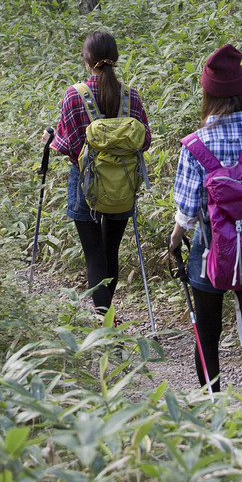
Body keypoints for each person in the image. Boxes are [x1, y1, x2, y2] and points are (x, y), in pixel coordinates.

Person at [168, 43, 242, 395]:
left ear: (207, 94)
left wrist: (175, 240)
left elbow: (188, 211)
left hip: (210, 254)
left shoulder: (194, 145)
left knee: (207, 336)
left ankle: (214, 415)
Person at [49, 30, 151, 316]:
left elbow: (66, 145)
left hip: (85, 184)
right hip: (123, 183)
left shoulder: (74, 95)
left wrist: (51, 141)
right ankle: (105, 316)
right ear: (115, 59)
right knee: (110, 252)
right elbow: (144, 141)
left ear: (86, 60)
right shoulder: (131, 96)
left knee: (94, 255)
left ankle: (105, 321)